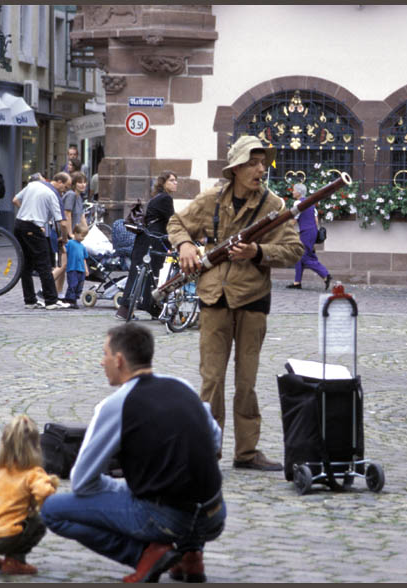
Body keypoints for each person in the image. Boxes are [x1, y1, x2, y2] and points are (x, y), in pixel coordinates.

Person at [40, 322, 226, 583]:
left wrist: (123, 488)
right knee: (176, 486)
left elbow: (83, 482)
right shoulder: (182, 386)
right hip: (214, 514)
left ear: (119, 360)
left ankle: (143, 556)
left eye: (104, 354)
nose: (101, 362)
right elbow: (214, 440)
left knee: (50, 510)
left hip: (166, 517)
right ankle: (191, 555)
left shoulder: (116, 405)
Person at [167, 135, 304, 470]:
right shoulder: (212, 198)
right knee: (211, 380)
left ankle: (246, 452)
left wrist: (258, 252)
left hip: (252, 299)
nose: (261, 169)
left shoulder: (273, 205)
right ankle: (207, 450)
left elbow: (294, 250)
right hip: (214, 297)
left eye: (263, 163)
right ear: (237, 168)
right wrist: (185, 245)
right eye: (254, 163)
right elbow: (177, 223)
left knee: (246, 382)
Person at [0, 414, 59, 575]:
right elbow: (45, 494)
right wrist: (50, 484)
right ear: (36, 446)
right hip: (4, 537)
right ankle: (15, 561)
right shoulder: (32, 473)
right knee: (38, 522)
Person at [114, 170, 178, 320]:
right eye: (172, 180)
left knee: (143, 273)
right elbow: (173, 220)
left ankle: (143, 307)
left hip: (147, 238)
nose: (176, 183)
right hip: (153, 240)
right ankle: (141, 306)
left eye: (176, 180)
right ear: (163, 183)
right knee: (146, 274)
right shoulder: (165, 199)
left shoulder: (158, 197)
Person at [12, 172, 71, 309]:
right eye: (66, 187)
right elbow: (62, 223)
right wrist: (64, 238)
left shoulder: (33, 184)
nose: (65, 190)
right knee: (44, 263)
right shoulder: (53, 194)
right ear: (59, 182)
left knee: (26, 264)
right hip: (34, 228)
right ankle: (51, 300)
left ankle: (30, 300)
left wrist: (28, 212)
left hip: (19, 224)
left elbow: (14, 200)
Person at [285, 182, 332, 290]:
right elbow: (316, 220)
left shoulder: (298, 203)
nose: (292, 192)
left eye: (294, 190)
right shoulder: (311, 203)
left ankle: (325, 275)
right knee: (301, 255)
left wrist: (285, 229)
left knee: (304, 257)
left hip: (306, 232)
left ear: (299, 192)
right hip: (312, 231)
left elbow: (294, 220)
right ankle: (297, 282)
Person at [63, 224, 90, 309]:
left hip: (81, 269)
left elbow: (84, 259)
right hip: (72, 268)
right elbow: (64, 250)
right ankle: (71, 300)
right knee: (73, 284)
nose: (83, 238)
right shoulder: (70, 243)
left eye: (84, 236)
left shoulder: (83, 247)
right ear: (75, 233)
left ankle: (72, 298)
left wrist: (86, 269)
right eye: (82, 236)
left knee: (79, 286)